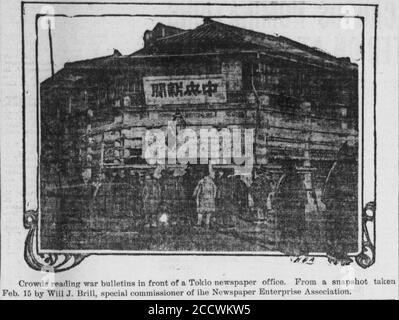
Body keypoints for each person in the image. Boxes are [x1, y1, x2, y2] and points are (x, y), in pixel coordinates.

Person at [323, 143, 358, 265]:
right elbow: (330, 188)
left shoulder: (348, 167)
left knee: (344, 230)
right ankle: (335, 253)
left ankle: (340, 252)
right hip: (336, 204)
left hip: (343, 204)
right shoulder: (338, 167)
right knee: (336, 230)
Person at [273, 162, 308, 256]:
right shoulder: (298, 179)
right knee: (297, 231)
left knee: (288, 231)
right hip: (297, 211)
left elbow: (278, 195)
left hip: (287, 211)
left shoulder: (284, 179)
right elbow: (304, 197)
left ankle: (291, 250)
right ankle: (299, 250)